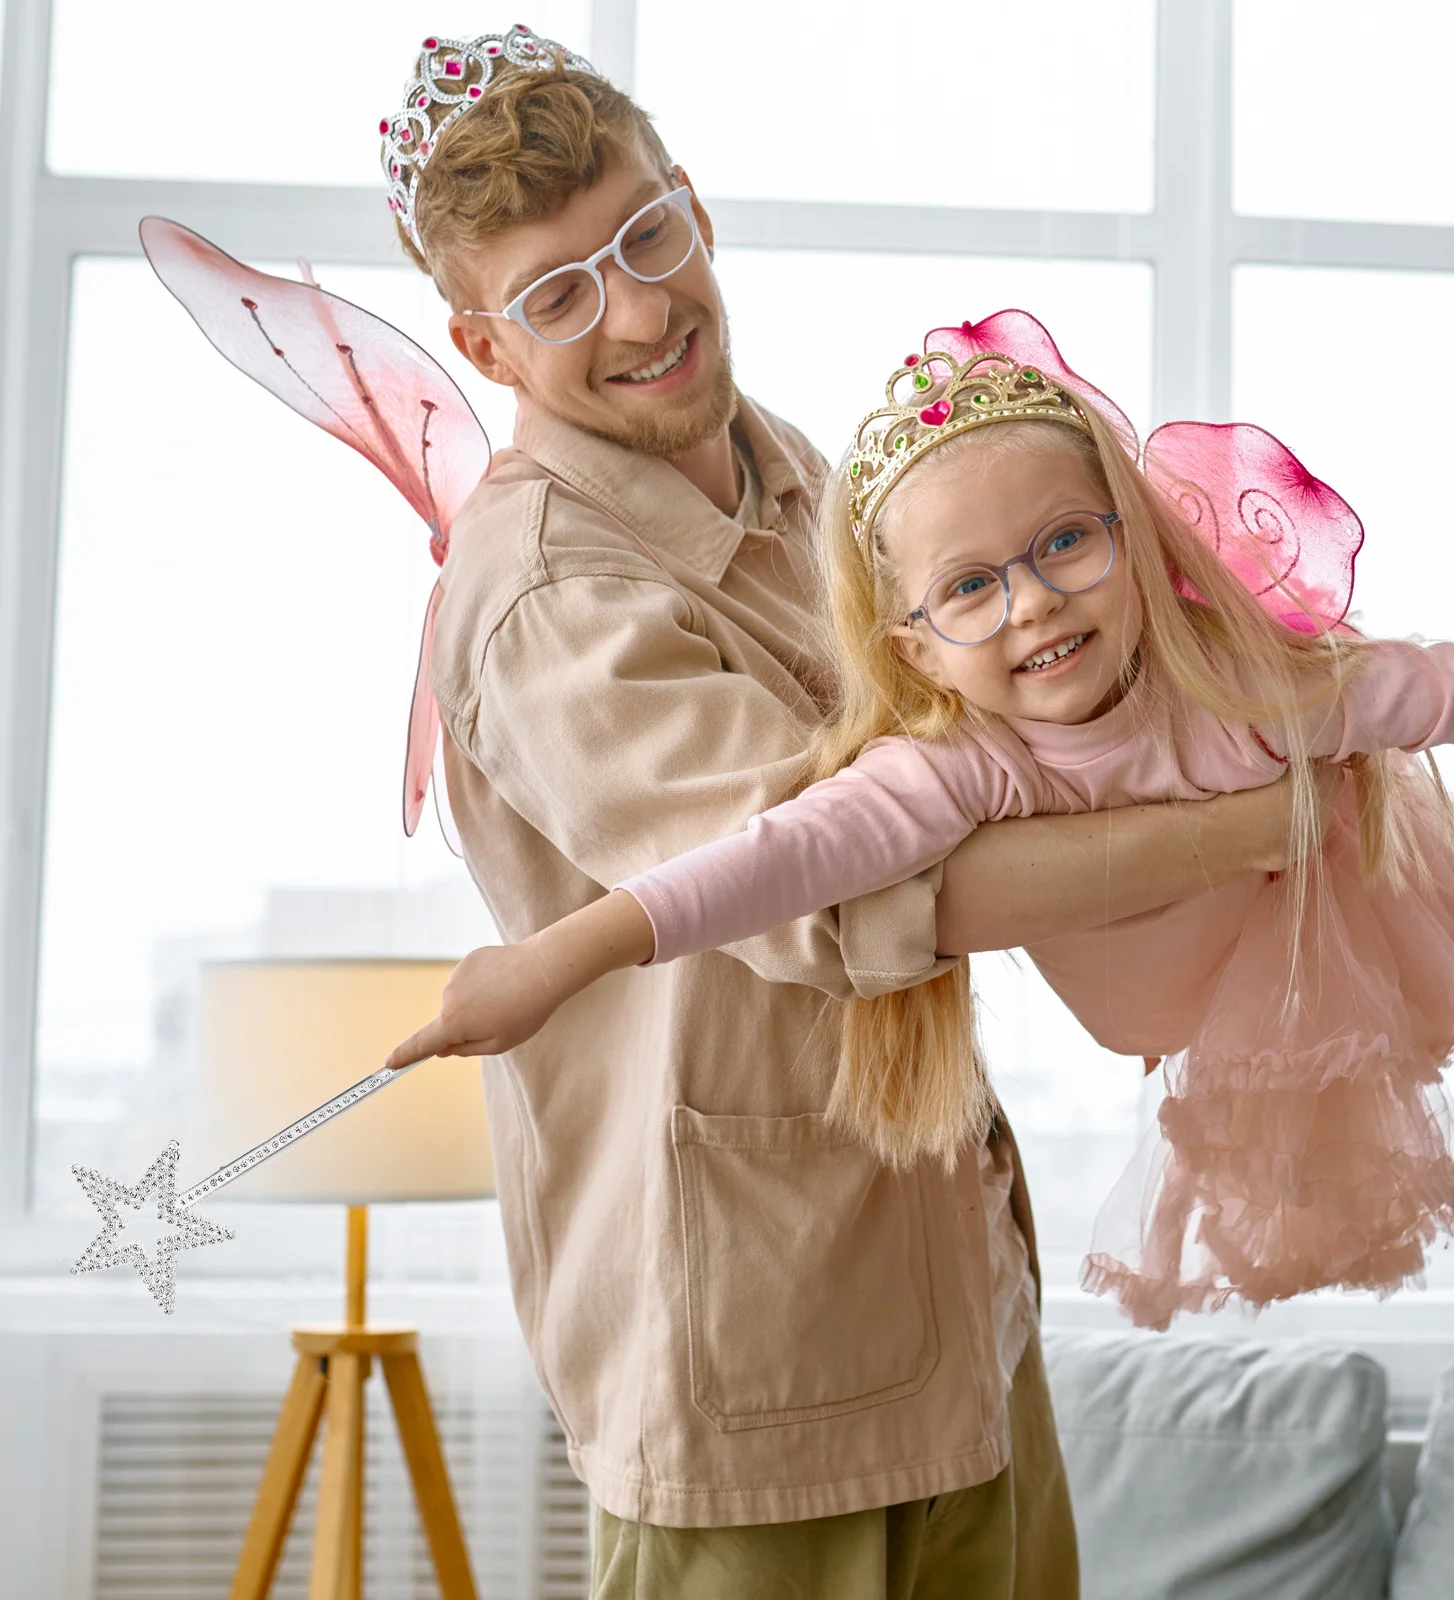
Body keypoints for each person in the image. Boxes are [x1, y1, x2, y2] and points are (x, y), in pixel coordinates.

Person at [384, 27, 1333, 1598]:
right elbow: (849, 896)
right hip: (751, 1362)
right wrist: (1254, 822)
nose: (636, 312)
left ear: (692, 204)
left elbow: (1001, 754)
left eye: (646, 237)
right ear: (486, 348)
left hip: (950, 1294)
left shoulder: (801, 483)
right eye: (558, 295)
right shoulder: (545, 590)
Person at [393, 305, 1454, 1340]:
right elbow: (777, 861)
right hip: (1154, 976)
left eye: (1066, 542)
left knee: (1308, 1140)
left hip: (1277, 942)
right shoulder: (966, 766)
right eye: (970, 586)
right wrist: (559, 955)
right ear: (911, 641)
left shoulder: (1256, 699)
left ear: (1136, 541)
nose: (1032, 605)